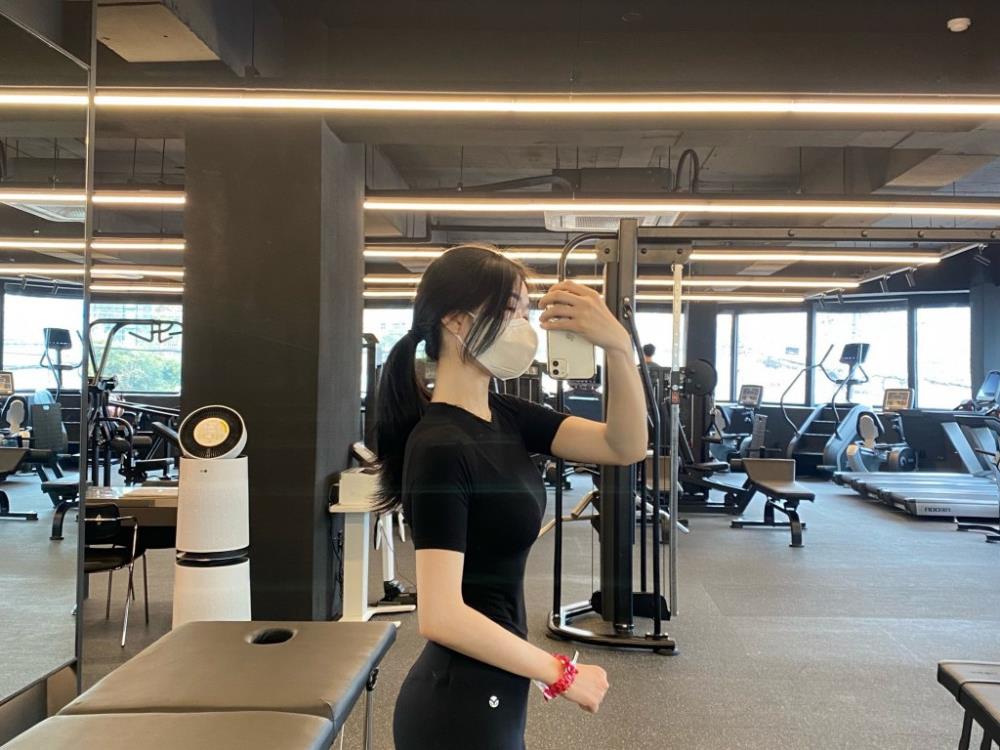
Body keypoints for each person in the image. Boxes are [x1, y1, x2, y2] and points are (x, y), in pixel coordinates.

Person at [374, 245, 648, 750]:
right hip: (456, 709)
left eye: (525, 310)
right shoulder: (439, 446)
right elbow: (440, 614)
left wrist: (617, 347)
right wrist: (561, 673)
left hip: (494, 687)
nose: (524, 325)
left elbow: (624, 445)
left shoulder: (506, 414)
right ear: (457, 321)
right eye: (510, 310)